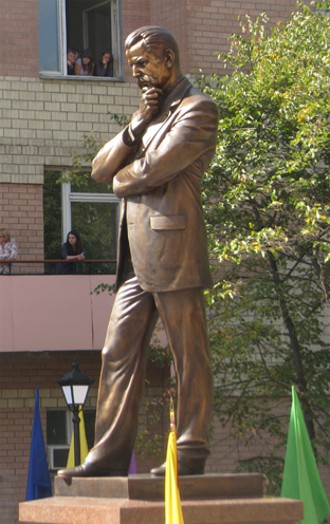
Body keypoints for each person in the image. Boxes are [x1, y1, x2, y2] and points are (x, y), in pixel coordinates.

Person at [58, 26, 218, 480]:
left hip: (175, 248)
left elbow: (149, 171)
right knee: (117, 351)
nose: (137, 74)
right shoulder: (148, 113)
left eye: (143, 63)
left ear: (167, 57)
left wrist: (121, 179)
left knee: (189, 355)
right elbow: (98, 168)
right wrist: (136, 126)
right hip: (135, 258)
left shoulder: (197, 109)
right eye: (131, 66)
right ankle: (107, 458)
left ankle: (189, 453)